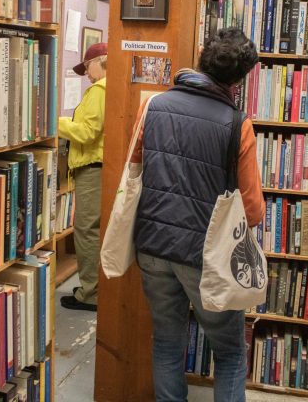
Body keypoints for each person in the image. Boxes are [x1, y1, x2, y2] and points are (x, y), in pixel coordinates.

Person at [127, 28, 265, 401]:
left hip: (153, 247)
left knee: (168, 342)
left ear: (201, 53)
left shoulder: (152, 106)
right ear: (238, 80)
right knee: (231, 352)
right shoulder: (238, 125)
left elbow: (136, 169)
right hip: (206, 255)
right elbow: (252, 210)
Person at [58, 42, 108, 312]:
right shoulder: (108, 88)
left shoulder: (99, 90)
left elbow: (87, 132)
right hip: (98, 167)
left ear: (100, 62)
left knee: (86, 231)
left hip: (92, 167)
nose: (87, 74)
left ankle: (90, 294)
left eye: (87, 67)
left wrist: (53, 122)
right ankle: (93, 288)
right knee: (94, 231)